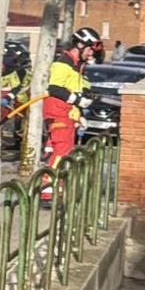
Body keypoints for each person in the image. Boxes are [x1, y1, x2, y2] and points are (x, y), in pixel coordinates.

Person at [43, 27, 103, 190]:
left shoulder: (77, 66)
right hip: (58, 114)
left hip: (67, 115)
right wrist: (78, 100)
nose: (91, 54)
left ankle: (59, 184)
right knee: (61, 152)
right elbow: (55, 88)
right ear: (81, 44)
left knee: (65, 151)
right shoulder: (63, 62)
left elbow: (77, 87)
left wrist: (79, 114)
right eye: (90, 49)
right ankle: (48, 187)